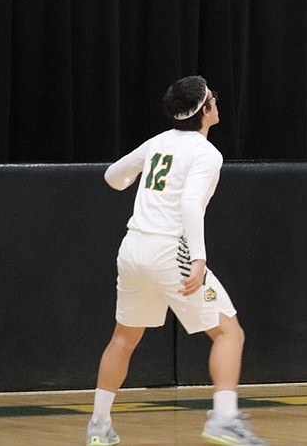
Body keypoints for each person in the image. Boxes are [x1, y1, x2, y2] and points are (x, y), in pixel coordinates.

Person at [86, 76, 266, 446]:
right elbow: (189, 204)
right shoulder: (205, 153)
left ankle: (99, 426)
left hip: (134, 248)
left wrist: (133, 181)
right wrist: (198, 258)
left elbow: (112, 177)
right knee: (229, 332)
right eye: (213, 98)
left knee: (124, 338)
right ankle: (224, 419)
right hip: (171, 251)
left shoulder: (159, 142)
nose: (218, 101)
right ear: (205, 110)